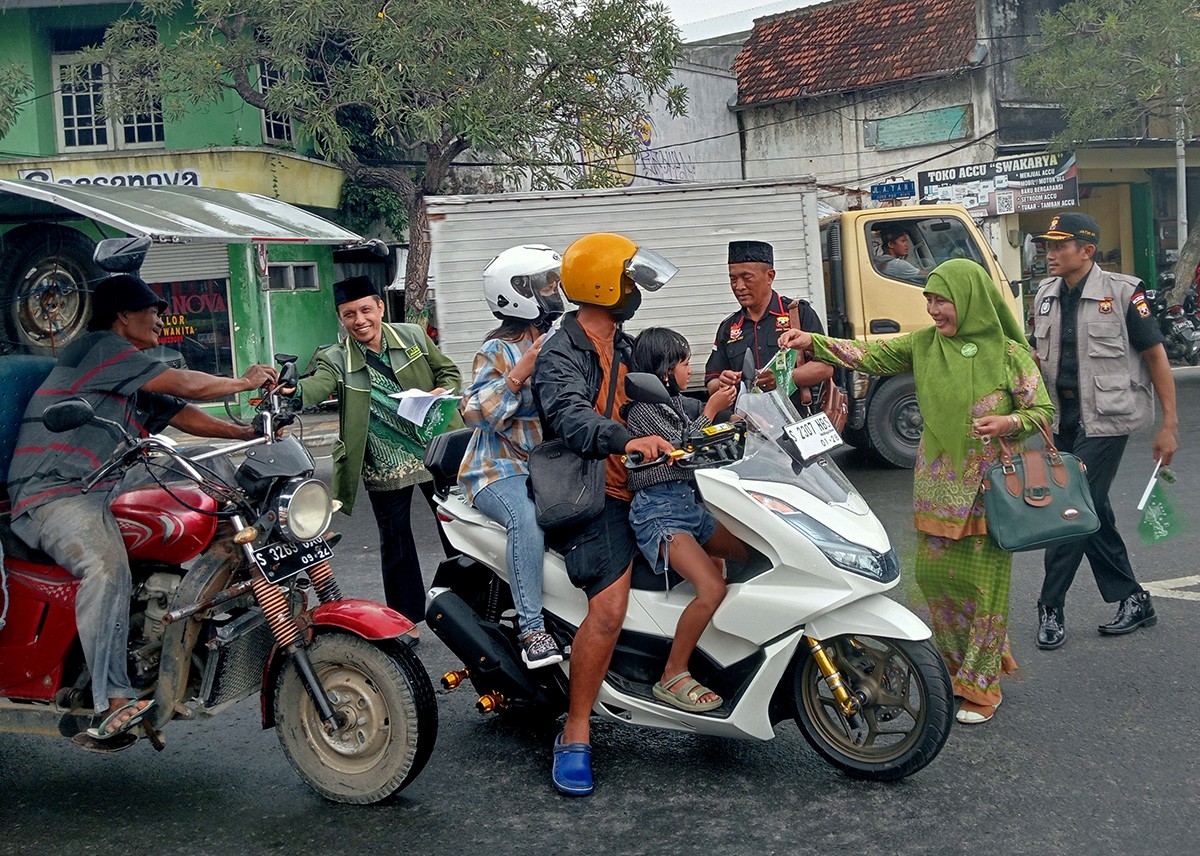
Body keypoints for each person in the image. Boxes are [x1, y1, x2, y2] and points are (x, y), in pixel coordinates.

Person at [7, 273, 279, 746]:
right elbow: (186, 384)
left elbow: (179, 411)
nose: (159, 318)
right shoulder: (98, 349)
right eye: (151, 310)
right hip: (52, 492)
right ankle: (110, 700)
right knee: (106, 566)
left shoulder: (127, 380)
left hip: (101, 487)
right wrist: (243, 380)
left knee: (212, 487)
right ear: (122, 316)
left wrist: (245, 434)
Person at [780, 259, 1054, 725]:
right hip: (936, 488)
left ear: (968, 299)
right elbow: (867, 354)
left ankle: (983, 689)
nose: (933, 310)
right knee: (934, 579)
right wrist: (815, 343)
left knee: (984, 588)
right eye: (928, 299)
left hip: (990, 488)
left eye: (941, 299)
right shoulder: (923, 346)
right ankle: (959, 666)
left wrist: (1009, 421)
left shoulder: (1008, 354)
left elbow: (1042, 413)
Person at [532, 232, 676, 796]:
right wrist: (626, 441)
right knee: (610, 607)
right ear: (602, 283)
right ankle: (576, 728)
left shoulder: (625, 342)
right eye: (629, 280)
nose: (636, 290)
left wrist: (716, 405)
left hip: (640, 482)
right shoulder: (559, 353)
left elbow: (658, 394)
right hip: (591, 492)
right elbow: (569, 418)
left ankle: (681, 670)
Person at [1029, 212, 1178, 649]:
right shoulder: (1045, 295)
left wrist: (1169, 425)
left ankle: (1050, 606)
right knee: (1094, 510)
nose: (1050, 254)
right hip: (1062, 421)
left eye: (1060, 246)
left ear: (1087, 251)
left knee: (1069, 507)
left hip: (1107, 421)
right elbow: (1038, 359)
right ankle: (1134, 598)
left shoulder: (1125, 293)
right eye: (1048, 246)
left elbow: (1155, 358)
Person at [291, 275, 463, 636]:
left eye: (366, 310)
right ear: (341, 317)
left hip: (431, 449)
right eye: (349, 314)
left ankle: (467, 606)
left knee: (456, 530)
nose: (360, 320)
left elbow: (449, 372)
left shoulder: (413, 337)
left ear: (380, 307)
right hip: (383, 463)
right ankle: (406, 620)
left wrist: (439, 391)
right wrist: (293, 390)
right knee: (396, 543)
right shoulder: (334, 357)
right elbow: (317, 385)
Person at [624, 327, 745, 712]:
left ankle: (716, 647)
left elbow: (703, 437)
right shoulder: (643, 410)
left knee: (750, 551)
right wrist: (710, 409)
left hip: (688, 506)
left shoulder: (671, 402)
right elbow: (681, 450)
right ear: (663, 370)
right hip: (659, 513)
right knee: (712, 588)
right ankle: (672, 674)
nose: (688, 370)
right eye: (684, 363)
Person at [458, 245, 566, 668]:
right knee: (526, 518)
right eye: (544, 283)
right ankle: (532, 628)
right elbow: (477, 414)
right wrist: (521, 373)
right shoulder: (497, 351)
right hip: (497, 469)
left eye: (552, 280)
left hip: (550, 468)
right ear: (518, 291)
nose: (552, 289)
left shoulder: (558, 338)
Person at [705, 240, 832, 405]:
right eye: (733, 279)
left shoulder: (798, 313)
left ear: (770, 276)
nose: (739, 286)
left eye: (747, 277)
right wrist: (723, 382)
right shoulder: (728, 327)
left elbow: (826, 367)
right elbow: (712, 382)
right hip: (748, 422)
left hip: (796, 420)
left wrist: (783, 378)